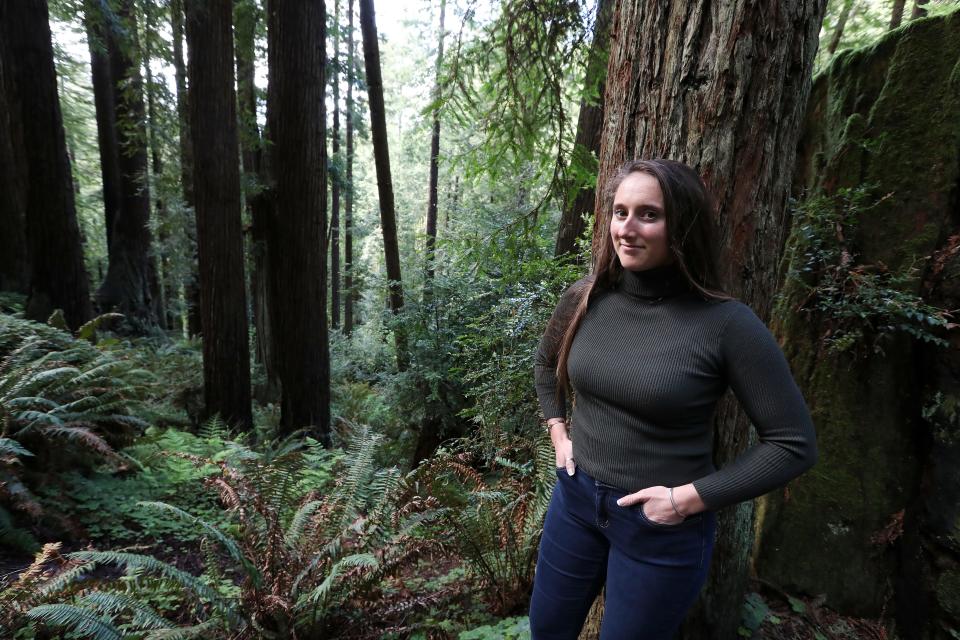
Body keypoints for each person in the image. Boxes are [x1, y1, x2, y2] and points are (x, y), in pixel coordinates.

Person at [528, 159, 818, 639]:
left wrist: (686, 500)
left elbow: (793, 443)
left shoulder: (727, 325)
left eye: (648, 214)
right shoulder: (586, 298)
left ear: (682, 225)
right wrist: (558, 430)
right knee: (546, 631)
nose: (627, 228)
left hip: (657, 526)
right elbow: (544, 365)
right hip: (575, 504)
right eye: (620, 212)